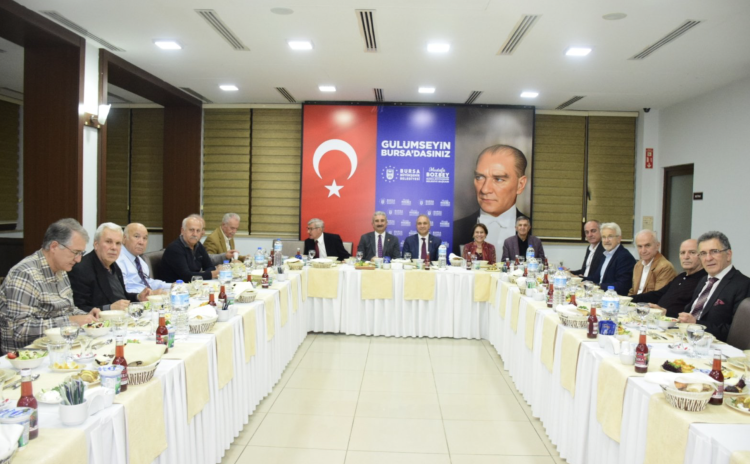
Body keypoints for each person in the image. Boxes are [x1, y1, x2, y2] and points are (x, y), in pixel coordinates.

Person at [0, 219, 101, 353]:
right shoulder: (25, 275)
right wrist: (70, 321)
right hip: (26, 355)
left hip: (58, 347)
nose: (78, 259)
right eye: (75, 252)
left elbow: (68, 310)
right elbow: (19, 330)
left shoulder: (61, 270)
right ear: (54, 247)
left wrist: (88, 317)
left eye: (81, 253)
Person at [452, 144, 528, 254]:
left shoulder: (534, 231)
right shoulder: (455, 229)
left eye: (499, 179)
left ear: (520, 185)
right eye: (479, 177)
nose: (485, 189)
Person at [678, 231, 750, 342]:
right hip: (685, 339)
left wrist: (696, 324)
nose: (708, 258)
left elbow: (737, 332)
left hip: (715, 347)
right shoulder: (704, 280)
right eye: (703, 253)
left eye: (714, 252)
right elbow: (689, 313)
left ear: (728, 255)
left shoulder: (743, 284)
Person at [68, 223, 150, 312]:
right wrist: (109, 308)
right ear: (96, 244)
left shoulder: (114, 266)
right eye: (108, 242)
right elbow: (78, 309)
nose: (114, 247)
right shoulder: (81, 269)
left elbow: (121, 297)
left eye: (118, 243)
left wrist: (138, 297)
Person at [632, 239, 707, 318]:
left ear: (701, 255)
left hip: (674, 322)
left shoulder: (705, 280)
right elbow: (658, 294)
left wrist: (665, 312)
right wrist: (628, 299)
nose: (686, 257)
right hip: (657, 318)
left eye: (692, 252)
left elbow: (692, 314)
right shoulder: (681, 276)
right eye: (682, 253)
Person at [116, 223, 171, 294]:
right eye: (136, 236)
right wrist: (151, 293)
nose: (141, 242)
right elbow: (125, 289)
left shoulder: (140, 260)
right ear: (124, 239)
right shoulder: (117, 259)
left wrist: (171, 286)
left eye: (144, 238)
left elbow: (147, 282)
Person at [161, 214, 219, 282]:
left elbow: (210, 266)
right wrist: (211, 274)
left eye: (198, 231)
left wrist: (205, 274)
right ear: (182, 231)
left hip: (191, 285)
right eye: (191, 230)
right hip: (174, 287)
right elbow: (187, 276)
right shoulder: (175, 249)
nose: (194, 234)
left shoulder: (198, 245)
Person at [628, 229, 677, 295]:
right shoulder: (638, 265)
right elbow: (634, 291)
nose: (643, 250)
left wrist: (633, 299)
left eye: (647, 245)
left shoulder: (665, 267)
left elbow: (657, 296)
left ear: (657, 246)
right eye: (640, 246)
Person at [593, 222, 636, 295]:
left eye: (610, 236)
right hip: (600, 295)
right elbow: (596, 278)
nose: (606, 240)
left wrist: (598, 286)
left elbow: (622, 286)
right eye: (603, 237)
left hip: (614, 298)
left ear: (619, 239)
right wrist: (582, 280)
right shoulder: (605, 254)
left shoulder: (624, 257)